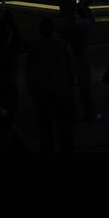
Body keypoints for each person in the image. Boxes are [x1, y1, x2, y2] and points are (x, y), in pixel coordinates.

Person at [25, 17, 75, 152]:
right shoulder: (61, 44)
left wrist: (31, 88)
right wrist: (71, 84)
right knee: (63, 125)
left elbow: (30, 70)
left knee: (45, 126)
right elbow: (70, 66)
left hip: (42, 91)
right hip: (60, 89)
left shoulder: (35, 45)